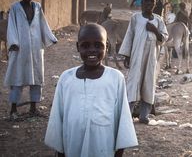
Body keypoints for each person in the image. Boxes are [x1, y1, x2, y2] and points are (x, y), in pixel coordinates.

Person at [44, 24, 138, 157]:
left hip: (103, 147)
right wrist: (60, 152)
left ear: (107, 46)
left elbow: (122, 120)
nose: (92, 50)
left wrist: (119, 153)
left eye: (98, 45)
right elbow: (57, 119)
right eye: (85, 45)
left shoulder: (115, 78)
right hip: (72, 146)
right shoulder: (66, 78)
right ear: (78, 47)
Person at [5, 0, 57, 121]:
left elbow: (43, 24)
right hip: (20, 49)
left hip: (35, 49)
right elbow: (11, 26)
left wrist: (50, 38)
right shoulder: (15, 8)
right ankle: (13, 110)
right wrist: (14, 42)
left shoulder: (38, 7)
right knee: (17, 79)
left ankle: (34, 108)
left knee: (37, 79)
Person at [119, 0, 168, 124]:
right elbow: (129, 36)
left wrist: (155, 30)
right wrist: (127, 56)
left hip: (151, 58)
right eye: (146, 1)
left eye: (151, 1)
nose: (148, 4)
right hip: (136, 56)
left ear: (155, 3)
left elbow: (164, 38)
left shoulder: (158, 20)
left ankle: (144, 115)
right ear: (142, 3)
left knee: (148, 83)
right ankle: (128, 113)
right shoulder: (135, 18)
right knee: (133, 83)